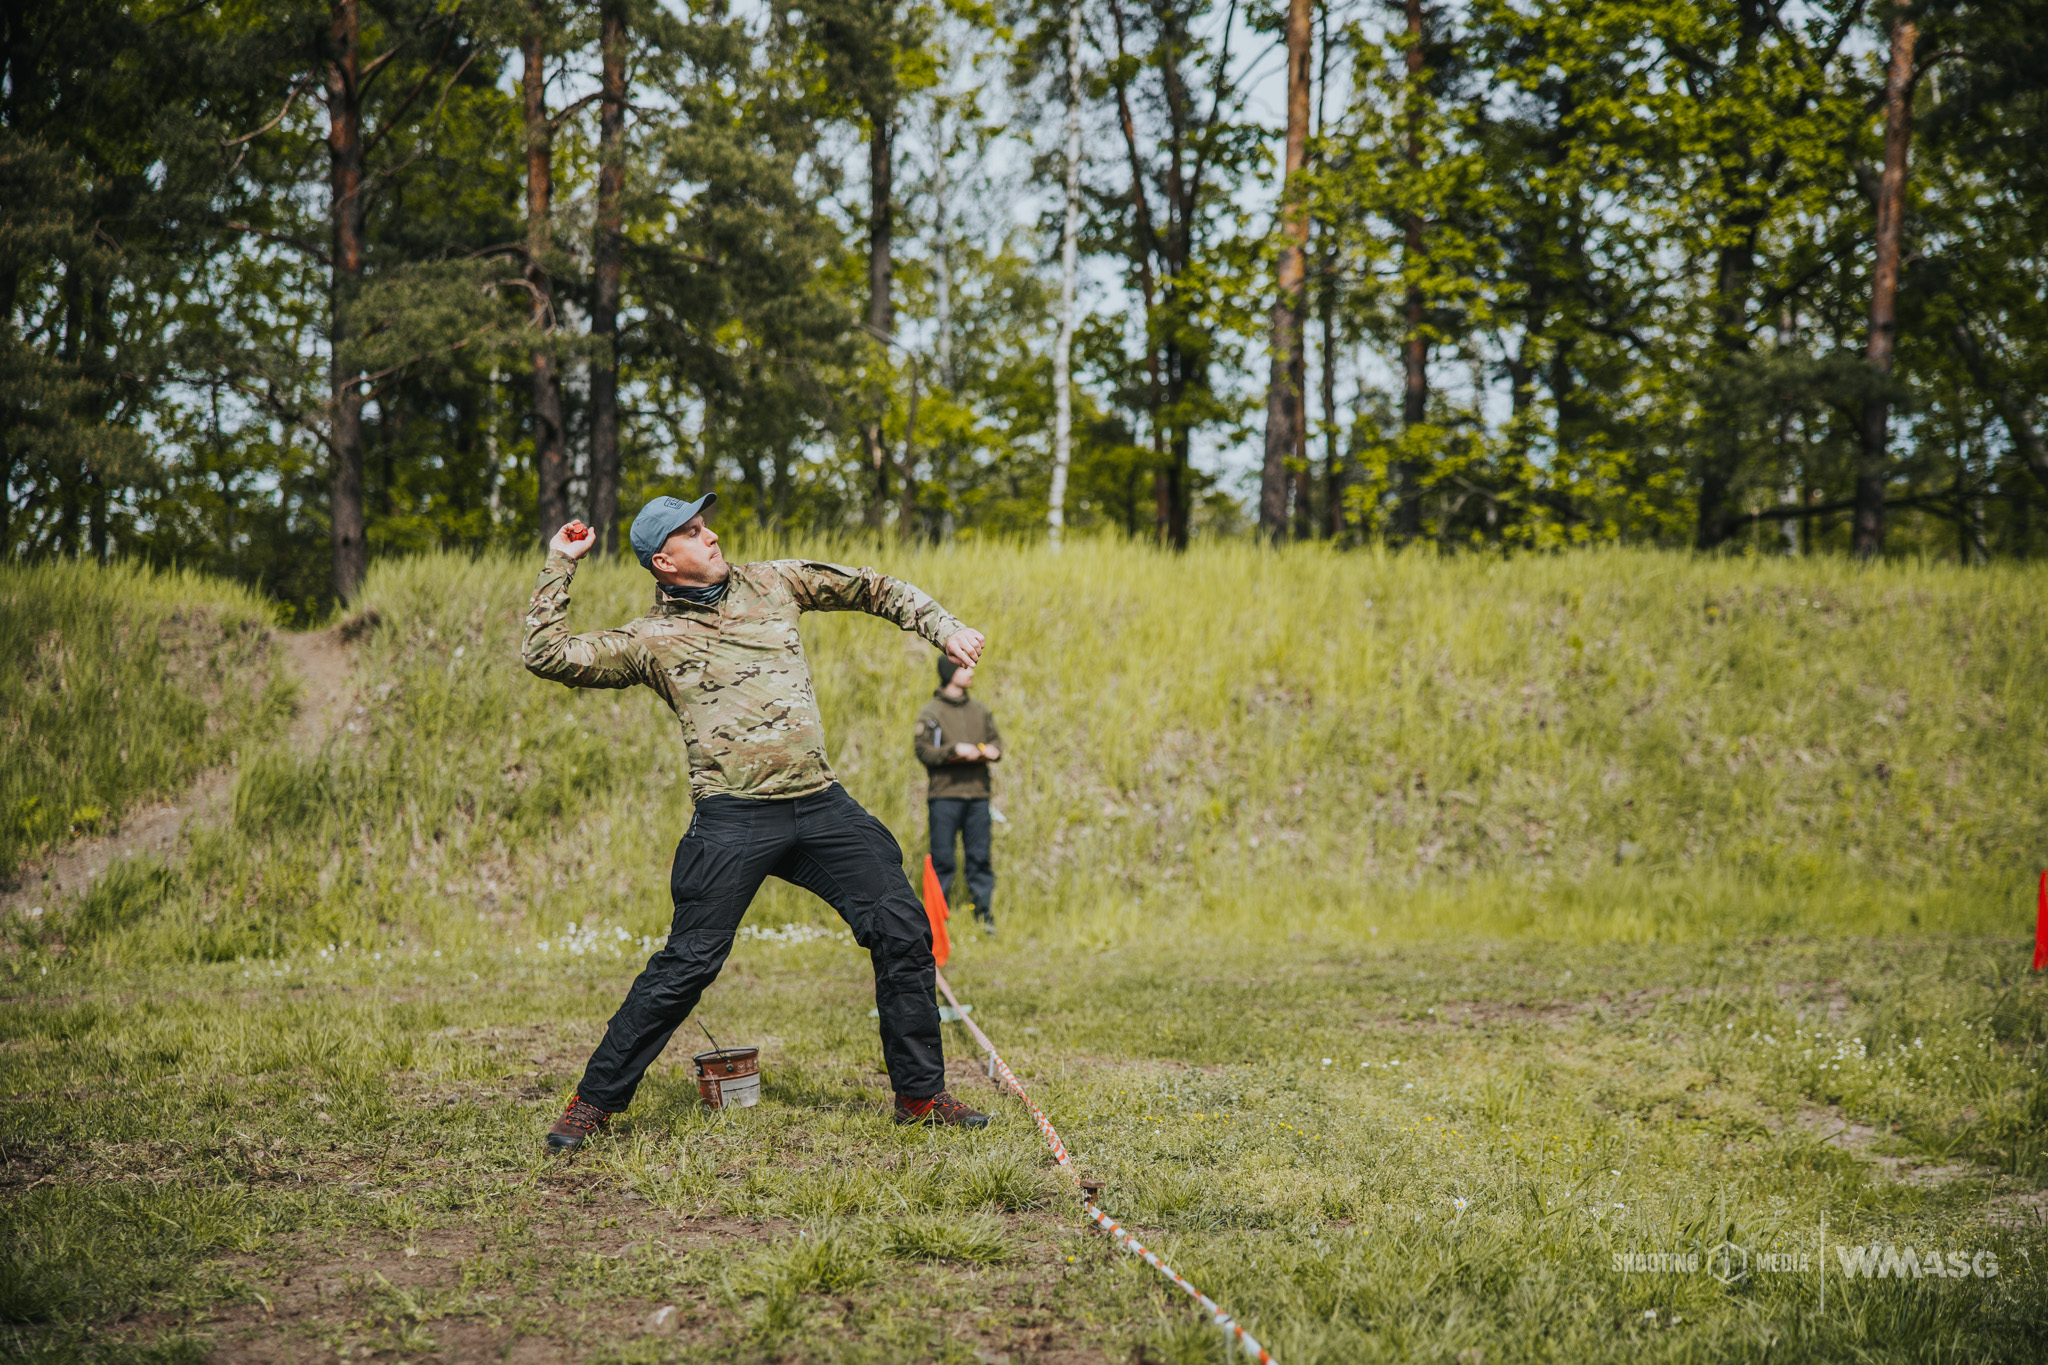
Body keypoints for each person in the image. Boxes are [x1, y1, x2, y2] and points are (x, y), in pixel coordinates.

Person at [522, 492, 991, 1151]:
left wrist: (941, 627)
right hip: (732, 819)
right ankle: (591, 1103)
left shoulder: (773, 581)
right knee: (688, 962)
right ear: (664, 560)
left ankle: (920, 1095)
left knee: (902, 927)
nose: (709, 534)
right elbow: (546, 654)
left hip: (820, 803)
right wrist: (559, 562)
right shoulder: (651, 639)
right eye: (690, 530)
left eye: (704, 522)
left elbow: (872, 587)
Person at [916, 657, 1000, 933]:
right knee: (943, 859)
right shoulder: (932, 712)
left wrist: (993, 750)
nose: (971, 671)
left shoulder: (980, 710)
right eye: (965, 667)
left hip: (978, 795)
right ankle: (937, 921)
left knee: (979, 858)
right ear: (950, 672)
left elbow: (995, 740)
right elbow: (923, 751)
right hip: (945, 796)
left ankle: (984, 917)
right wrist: (954, 750)